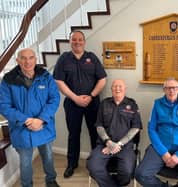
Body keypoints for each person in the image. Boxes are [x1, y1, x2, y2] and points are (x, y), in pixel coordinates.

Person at [0, 48, 60, 187]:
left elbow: (54, 99)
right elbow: (4, 106)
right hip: (22, 129)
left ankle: (51, 181)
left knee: (48, 158)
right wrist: (26, 120)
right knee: (25, 163)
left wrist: (41, 119)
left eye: (31, 57)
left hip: (43, 126)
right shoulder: (8, 80)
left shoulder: (46, 76)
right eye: (23, 58)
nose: (28, 61)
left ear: (36, 59)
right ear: (17, 60)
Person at [53, 30, 107, 178]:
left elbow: (102, 79)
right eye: (74, 40)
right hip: (72, 103)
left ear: (84, 41)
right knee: (73, 134)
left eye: (80, 39)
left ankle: (97, 164)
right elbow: (59, 81)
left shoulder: (92, 58)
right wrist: (75, 98)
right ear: (69, 41)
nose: (77, 42)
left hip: (92, 102)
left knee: (95, 133)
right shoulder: (64, 59)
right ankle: (72, 164)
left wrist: (91, 96)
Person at [86, 79, 142, 187]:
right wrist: (108, 142)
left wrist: (119, 144)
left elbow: (136, 128)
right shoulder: (104, 103)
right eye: (115, 86)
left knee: (127, 172)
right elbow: (99, 125)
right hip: (104, 145)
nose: (117, 89)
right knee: (92, 166)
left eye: (120, 86)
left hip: (125, 147)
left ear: (125, 89)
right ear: (111, 89)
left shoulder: (132, 104)